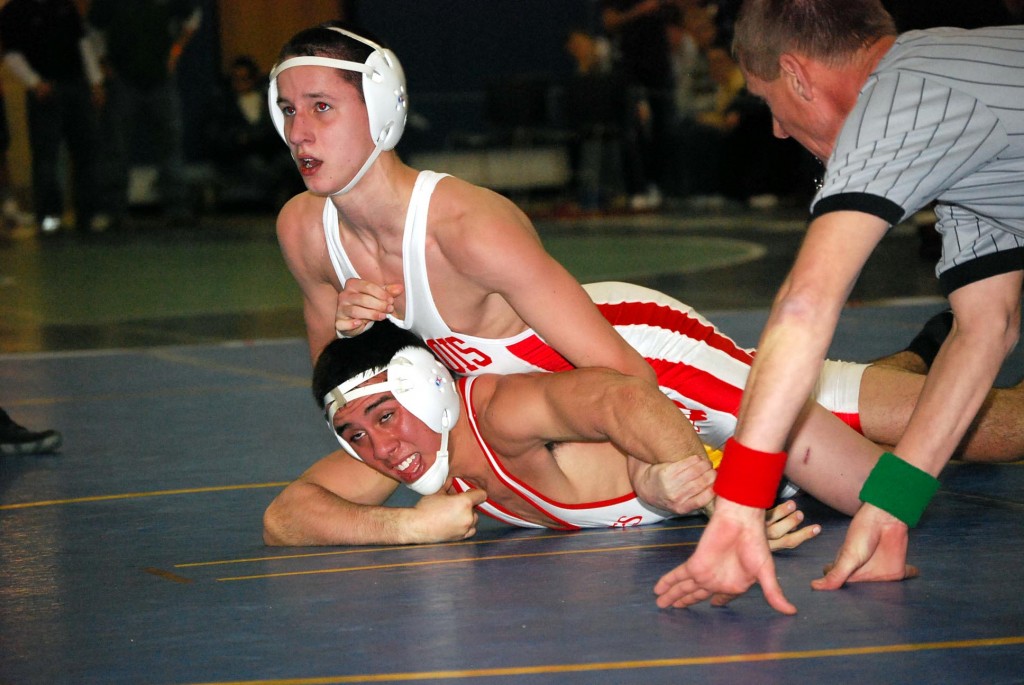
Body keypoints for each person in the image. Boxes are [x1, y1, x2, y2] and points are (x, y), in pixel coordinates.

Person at [270, 22, 1024, 473]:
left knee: (973, 437)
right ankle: (915, 356)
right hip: (574, 393)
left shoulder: (466, 223)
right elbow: (344, 393)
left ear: (383, 109)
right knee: (839, 406)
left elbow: (628, 379)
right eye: (288, 111)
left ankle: (918, 374)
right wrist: (358, 332)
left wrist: (706, 475)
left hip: (645, 361)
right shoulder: (304, 231)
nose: (299, 132)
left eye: (322, 107)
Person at [654, 0, 1024, 614]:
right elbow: (987, 327)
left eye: (768, 101)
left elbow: (805, 305)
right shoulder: (958, 118)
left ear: (797, 75)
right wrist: (890, 507)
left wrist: (740, 502)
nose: (777, 129)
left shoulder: (903, 98)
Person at [263, 319, 845, 547]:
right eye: (355, 435)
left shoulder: (497, 415)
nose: (380, 449)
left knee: (890, 457)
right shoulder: (407, 448)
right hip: (689, 443)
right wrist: (408, 526)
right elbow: (285, 517)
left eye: (385, 416)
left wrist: (725, 508)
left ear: (427, 387)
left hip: (699, 395)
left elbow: (622, 397)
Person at [86, 0, 201, 227]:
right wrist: (103, 60)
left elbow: (193, 15)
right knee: (116, 146)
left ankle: (177, 208)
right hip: (123, 79)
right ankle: (114, 211)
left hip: (160, 79)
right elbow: (91, 29)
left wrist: (176, 50)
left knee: (170, 144)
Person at [0, 0, 108, 236]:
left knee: (87, 152)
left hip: (76, 85)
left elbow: (82, 43)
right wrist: (34, 82)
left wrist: (95, 82)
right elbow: (11, 53)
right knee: (46, 159)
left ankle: (89, 215)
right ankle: (50, 220)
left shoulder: (63, 6)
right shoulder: (14, 11)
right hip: (45, 90)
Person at [601, 0, 677, 210]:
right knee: (632, 130)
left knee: (663, 128)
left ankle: (657, 185)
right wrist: (638, 11)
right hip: (631, 68)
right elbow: (609, 21)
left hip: (659, 66)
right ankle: (636, 189)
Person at [204, 55, 301, 209]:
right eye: (236, 79)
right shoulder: (223, 105)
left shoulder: (270, 101)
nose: (241, 84)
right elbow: (217, 134)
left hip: (271, 151)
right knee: (256, 166)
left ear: (254, 79)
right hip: (238, 156)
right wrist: (239, 138)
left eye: (245, 79)